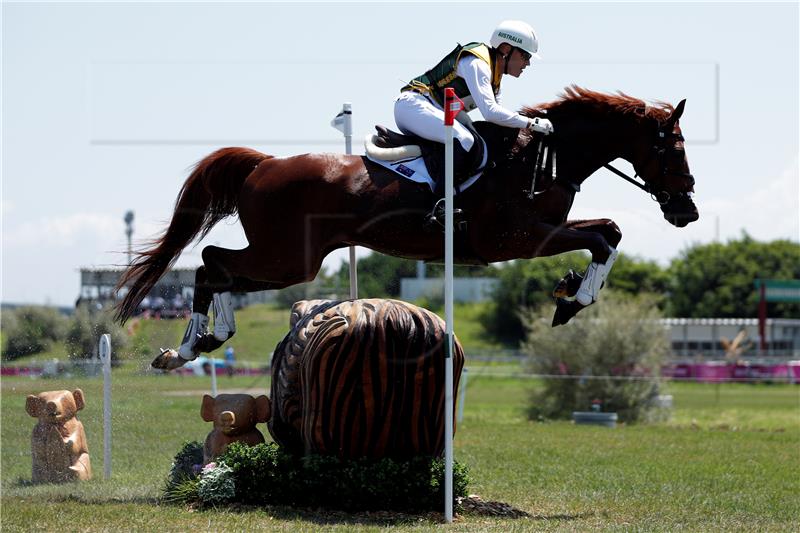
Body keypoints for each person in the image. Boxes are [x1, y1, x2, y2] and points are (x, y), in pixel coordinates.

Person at [394, 20, 554, 223]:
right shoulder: (478, 64)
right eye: (525, 56)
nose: (527, 63)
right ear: (506, 49)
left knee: (477, 140)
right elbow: (491, 113)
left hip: (432, 109)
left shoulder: (495, 76)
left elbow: (499, 119)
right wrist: (531, 123)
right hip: (413, 106)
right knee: (464, 140)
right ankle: (440, 206)